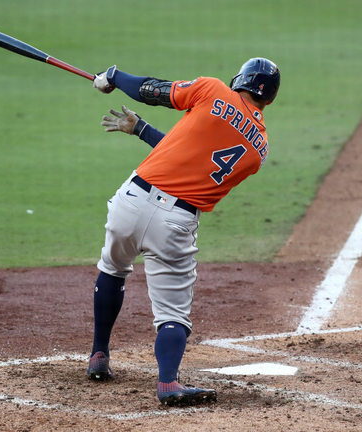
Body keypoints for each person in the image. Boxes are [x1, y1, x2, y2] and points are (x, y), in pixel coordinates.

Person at [86, 58, 281, 407]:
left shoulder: (213, 89)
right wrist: (141, 129)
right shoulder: (260, 151)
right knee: (173, 313)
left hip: (131, 200)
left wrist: (114, 77)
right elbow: (197, 159)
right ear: (269, 99)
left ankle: (99, 354)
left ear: (242, 79)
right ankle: (167, 383)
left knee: (112, 268)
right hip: (175, 222)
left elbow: (152, 90)